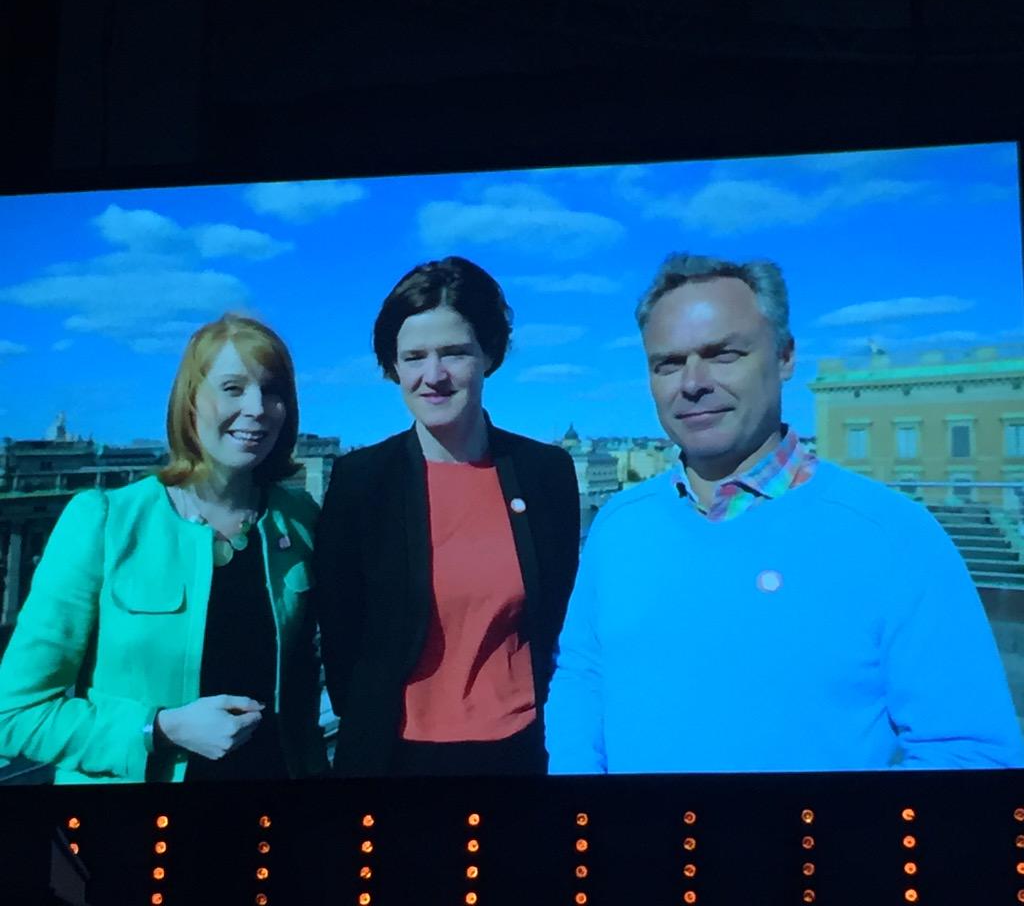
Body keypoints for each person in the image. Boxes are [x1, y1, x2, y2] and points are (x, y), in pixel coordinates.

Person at [545, 253, 1024, 773]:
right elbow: (583, 680)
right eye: (668, 363)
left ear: (785, 357)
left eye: (723, 354)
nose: (692, 382)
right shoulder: (620, 525)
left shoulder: (893, 535)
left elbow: (968, 751)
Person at [0, 315, 328, 783]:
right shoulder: (106, 522)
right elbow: (14, 714)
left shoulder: (300, 520)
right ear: (189, 401)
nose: (257, 408)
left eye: (272, 391)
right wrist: (158, 729)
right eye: (232, 388)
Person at [313, 256, 580, 776]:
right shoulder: (360, 481)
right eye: (414, 357)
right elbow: (340, 635)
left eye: (454, 353)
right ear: (393, 367)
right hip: (392, 759)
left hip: (518, 752)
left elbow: (557, 619)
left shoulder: (545, 473)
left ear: (489, 355)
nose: (432, 376)